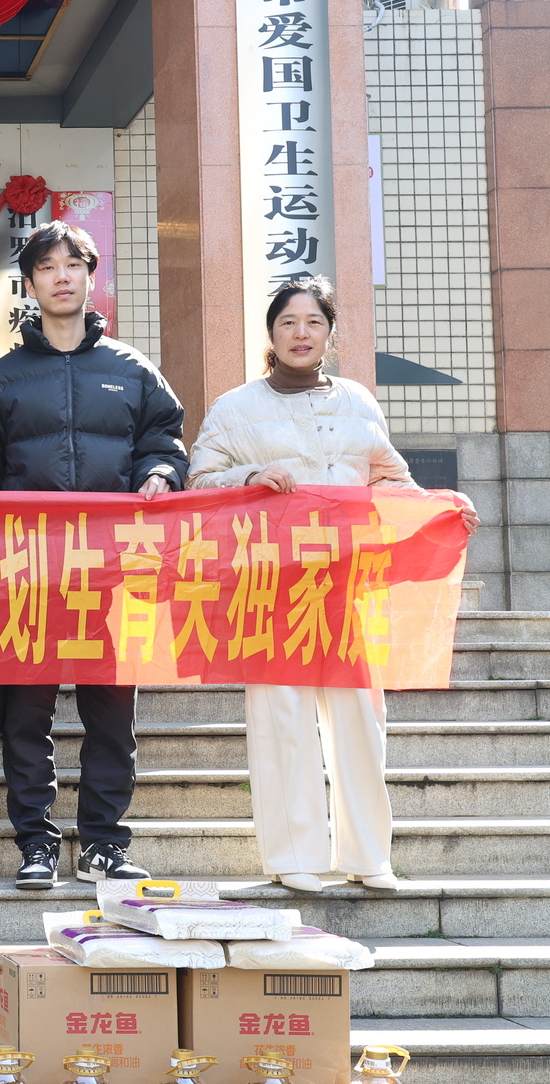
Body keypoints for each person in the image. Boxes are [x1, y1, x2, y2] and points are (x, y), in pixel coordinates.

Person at [188, 276, 478, 893]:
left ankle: (369, 856)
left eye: (314, 322)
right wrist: (249, 476)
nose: (301, 333)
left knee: (360, 720)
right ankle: (293, 857)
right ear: (271, 334)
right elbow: (199, 483)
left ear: (330, 332)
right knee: (282, 720)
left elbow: (390, 481)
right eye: (288, 322)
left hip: (347, 582)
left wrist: (440, 508)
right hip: (271, 583)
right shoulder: (235, 408)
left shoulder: (358, 403)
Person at [0, 220, 188, 890]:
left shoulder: (132, 371)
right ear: (29, 285)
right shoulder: (2, 381)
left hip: (114, 575)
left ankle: (105, 844)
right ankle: (36, 842)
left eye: (73, 265)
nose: (61, 277)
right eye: (47, 267)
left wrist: (160, 474)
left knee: (112, 714)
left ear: (91, 275)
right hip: (28, 575)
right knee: (26, 714)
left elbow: (166, 442)